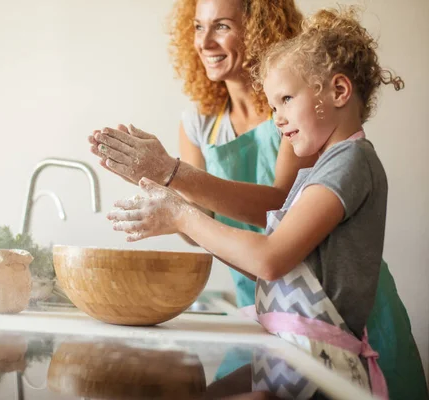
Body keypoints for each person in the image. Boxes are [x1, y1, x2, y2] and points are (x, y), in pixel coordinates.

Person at [88, 1, 428, 398]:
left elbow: (272, 242)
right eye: (198, 27)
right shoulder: (296, 130)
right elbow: (274, 261)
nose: (205, 41)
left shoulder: (333, 146)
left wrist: (178, 203)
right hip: (287, 324)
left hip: (334, 327)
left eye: (222, 25)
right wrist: (163, 193)